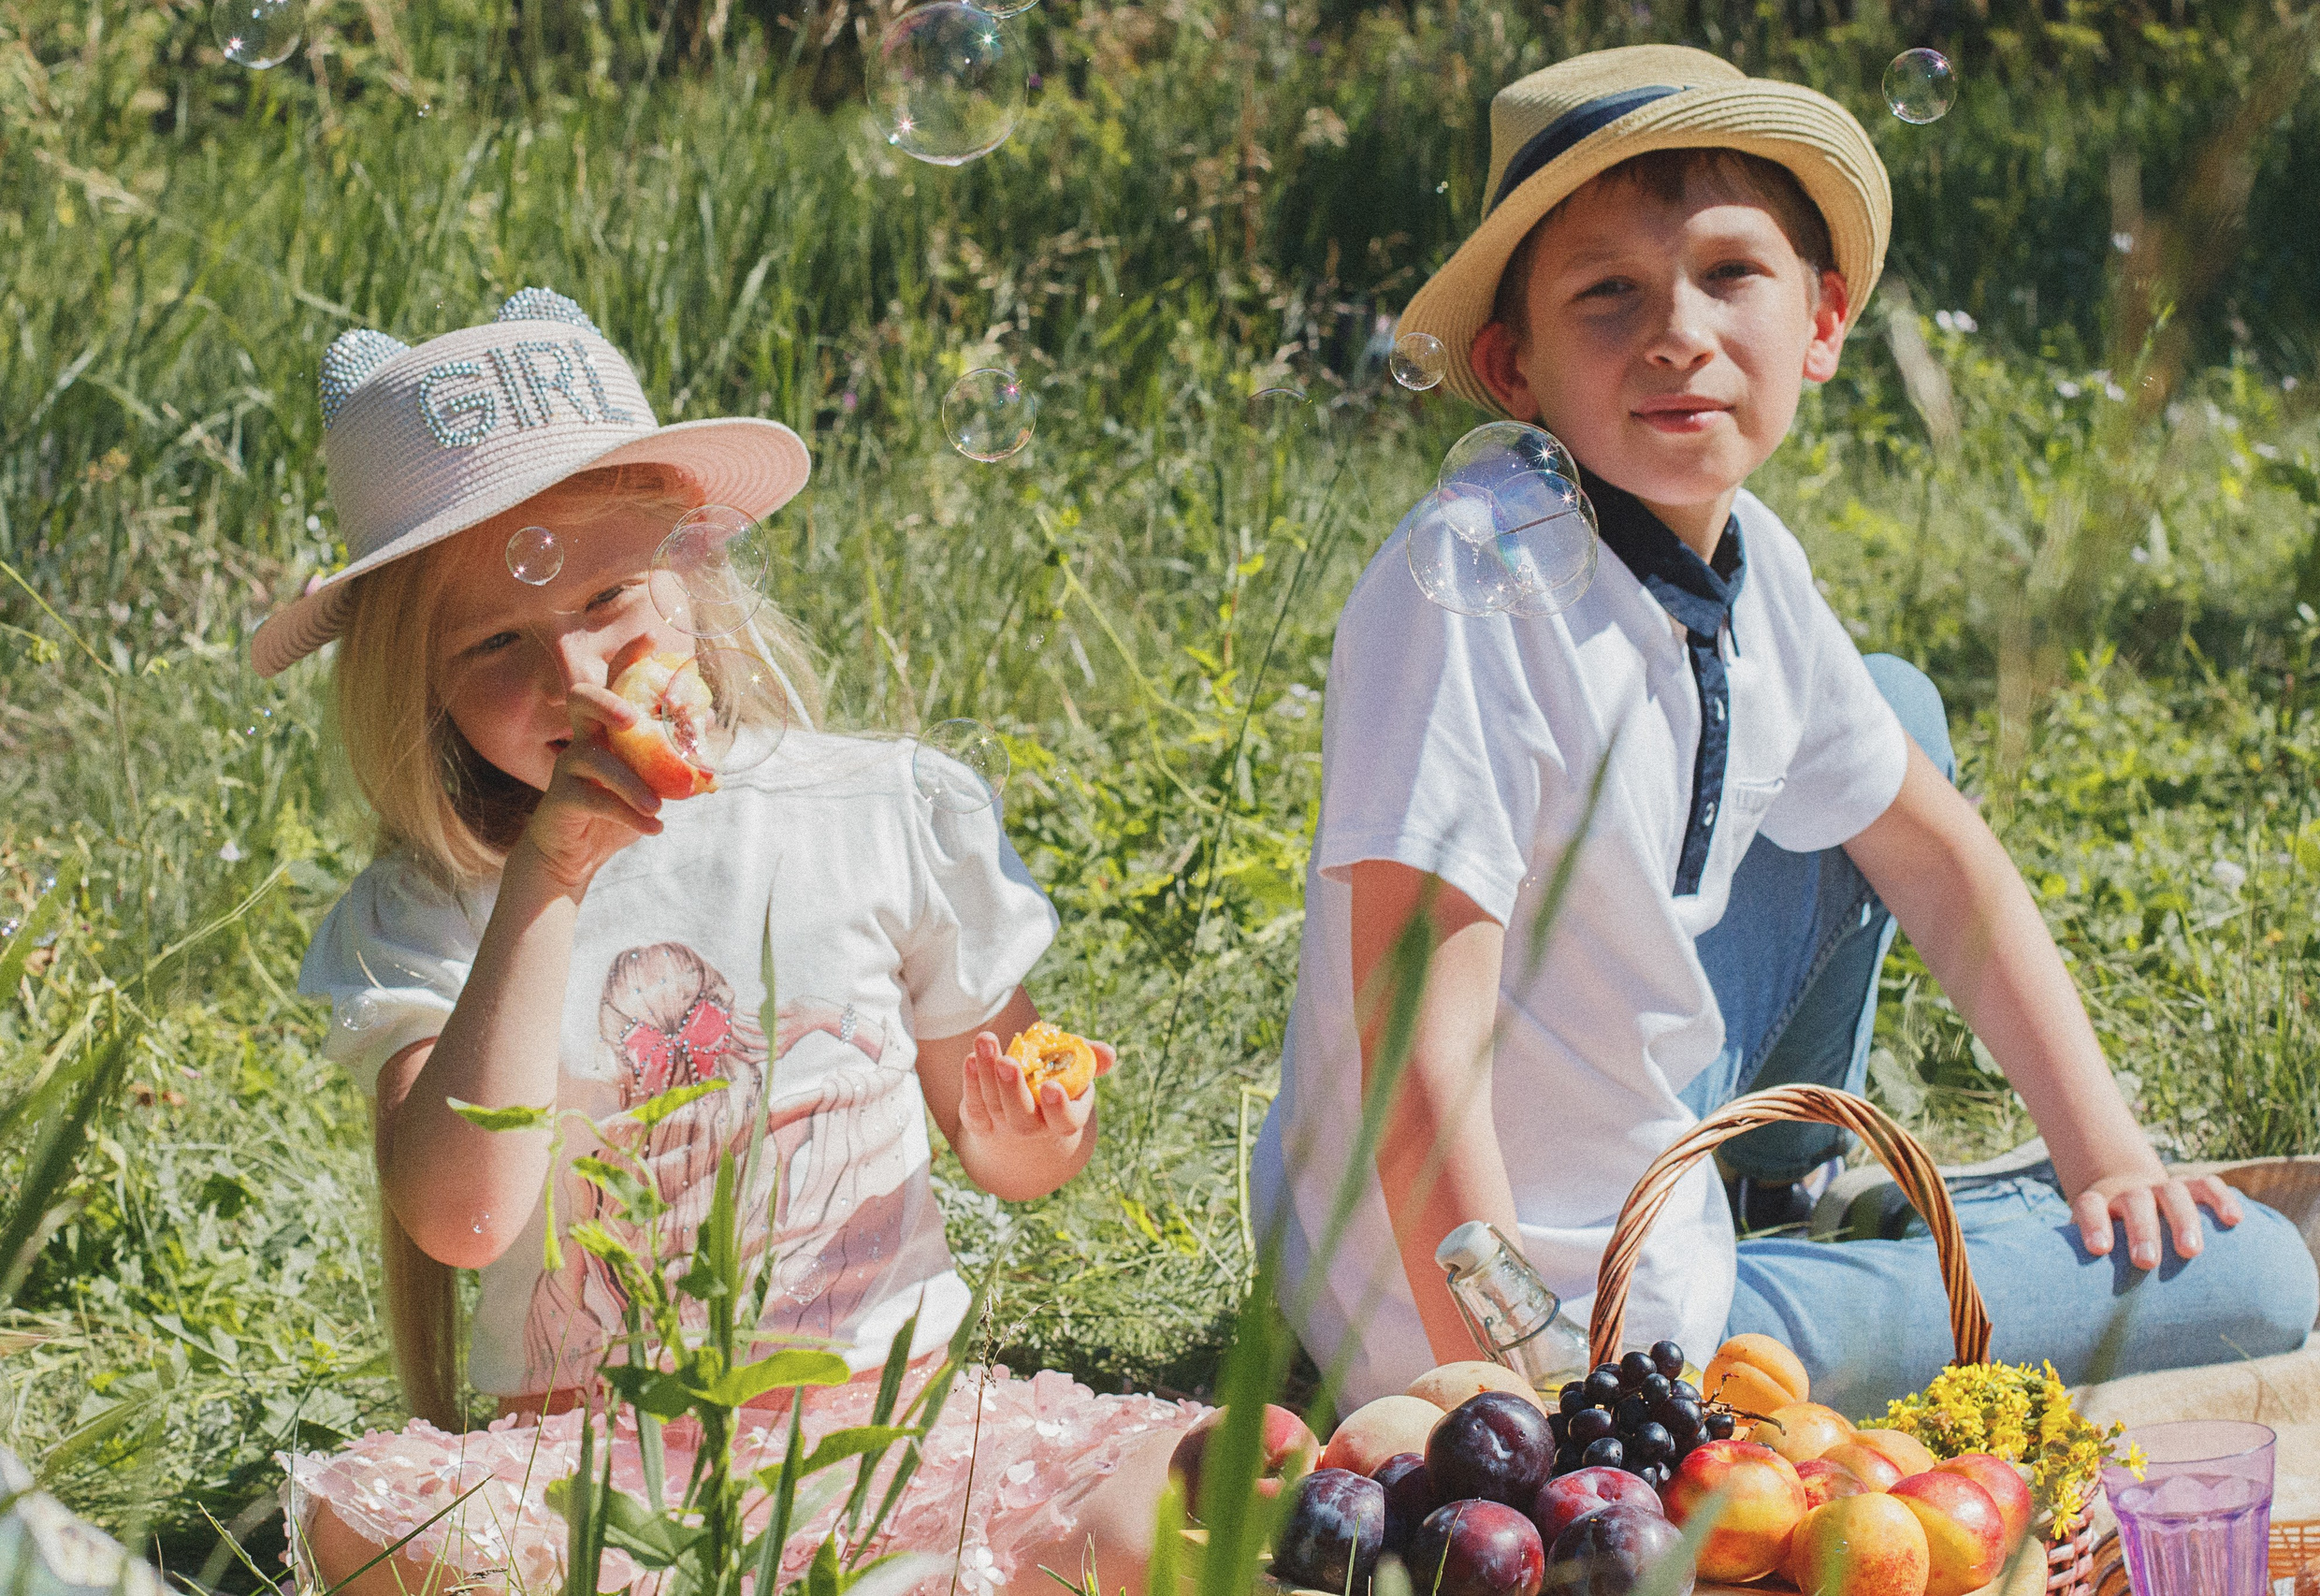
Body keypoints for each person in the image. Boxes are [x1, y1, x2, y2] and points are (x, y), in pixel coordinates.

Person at [1252, 45, 2318, 1419]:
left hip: (1617, 1155)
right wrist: (1532, 1405)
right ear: (1513, 367)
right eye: (1608, 291)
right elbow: (1417, 1060)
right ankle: (1851, 1255)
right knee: (2265, 1280)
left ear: (1821, 322)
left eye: (1728, 274)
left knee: (1893, 720)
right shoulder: (1462, 589)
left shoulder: (1747, 560)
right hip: (1535, 1309)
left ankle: (1787, 1185)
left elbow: (1943, 862)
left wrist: (2107, 1151)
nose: (1677, 331)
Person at [255, 290, 1194, 1596]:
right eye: (498, 644)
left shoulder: (879, 809)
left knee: (1179, 1511)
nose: (578, 667)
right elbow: (463, 1215)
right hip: (595, 1466)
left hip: (891, 1424)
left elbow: (1003, 1131)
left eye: (608, 596)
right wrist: (550, 878)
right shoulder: (440, 903)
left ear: (691, 571)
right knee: (385, 1538)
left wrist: (1030, 1131)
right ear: (420, 688)